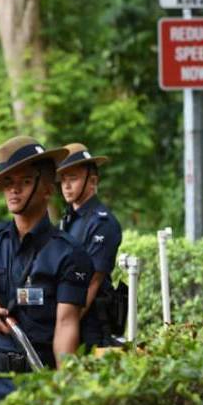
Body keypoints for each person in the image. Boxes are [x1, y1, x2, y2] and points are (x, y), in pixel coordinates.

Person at [0, 135, 93, 402]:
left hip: (41, 384)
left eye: (25, 181)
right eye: (8, 183)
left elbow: (66, 325)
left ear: (47, 189)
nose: (13, 190)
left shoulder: (69, 253)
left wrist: (65, 391)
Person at [57, 143, 122, 350]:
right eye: (63, 180)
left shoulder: (102, 223)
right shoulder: (68, 219)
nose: (66, 186)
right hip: (67, 322)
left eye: (73, 178)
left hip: (88, 326)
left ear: (92, 181)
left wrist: (61, 329)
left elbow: (92, 283)